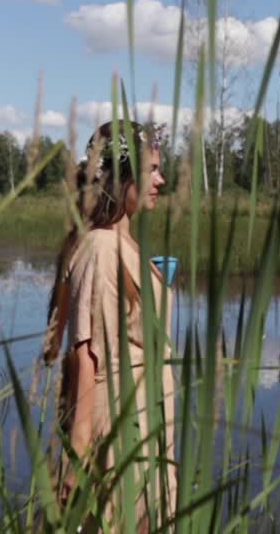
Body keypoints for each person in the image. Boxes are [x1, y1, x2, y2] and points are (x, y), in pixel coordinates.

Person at [40, 120, 177, 532]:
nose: (161, 180)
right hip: (119, 430)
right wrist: (79, 456)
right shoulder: (100, 246)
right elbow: (87, 354)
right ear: (122, 177)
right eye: (151, 169)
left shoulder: (119, 243)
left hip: (142, 425)